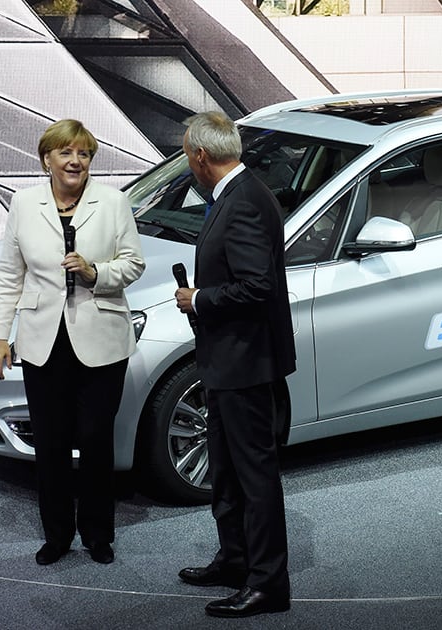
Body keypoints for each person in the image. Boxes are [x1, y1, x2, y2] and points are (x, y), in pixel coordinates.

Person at [0, 119, 145, 566]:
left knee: (96, 439)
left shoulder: (113, 203)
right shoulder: (23, 203)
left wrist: (96, 272)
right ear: (47, 160)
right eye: (66, 153)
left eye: (84, 154)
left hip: (101, 337)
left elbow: (133, 265)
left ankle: (98, 533)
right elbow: (9, 274)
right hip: (42, 338)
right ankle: (57, 534)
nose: (76, 161)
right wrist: (1, 335)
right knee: (51, 443)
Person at [174, 111, 296, 618]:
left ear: (200, 156)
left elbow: (256, 286)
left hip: (245, 363)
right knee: (225, 472)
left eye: (186, 155)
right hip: (229, 361)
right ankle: (235, 558)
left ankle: (268, 585)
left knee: (254, 475)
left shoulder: (243, 202)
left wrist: (199, 299)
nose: (188, 163)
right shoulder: (241, 193)